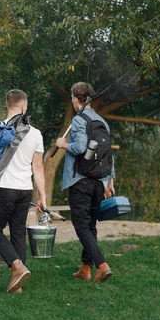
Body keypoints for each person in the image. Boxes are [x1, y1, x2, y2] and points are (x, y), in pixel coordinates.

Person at [0, 89, 47, 293]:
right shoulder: (35, 133)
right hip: (25, 190)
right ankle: (17, 285)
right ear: (24, 107)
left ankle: (17, 266)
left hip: (4, 189)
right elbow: (38, 167)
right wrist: (43, 196)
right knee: (17, 233)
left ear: (8, 106)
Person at [55, 82, 115, 284]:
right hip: (99, 181)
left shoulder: (79, 120)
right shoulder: (102, 122)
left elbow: (80, 147)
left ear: (75, 99)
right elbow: (108, 154)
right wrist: (110, 180)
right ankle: (85, 269)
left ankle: (102, 265)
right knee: (91, 225)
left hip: (80, 181)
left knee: (81, 225)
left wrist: (64, 144)